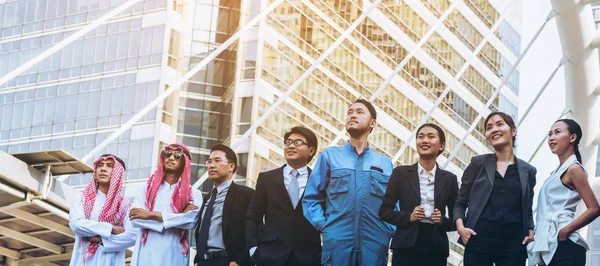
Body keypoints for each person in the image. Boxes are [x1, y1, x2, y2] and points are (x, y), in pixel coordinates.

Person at [303, 99, 394, 266]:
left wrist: (387, 231)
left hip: (374, 244)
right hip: (338, 243)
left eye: (360, 112)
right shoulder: (330, 156)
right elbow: (311, 198)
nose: (352, 115)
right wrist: (325, 227)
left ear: (372, 123)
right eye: (350, 112)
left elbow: (394, 205)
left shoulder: (385, 163)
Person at [454, 111, 537, 266]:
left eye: (500, 124)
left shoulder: (528, 171)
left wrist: (530, 230)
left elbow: (527, 209)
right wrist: (461, 228)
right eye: (489, 127)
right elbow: (460, 203)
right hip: (478, 237)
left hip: (514, 242)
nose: (494, 129)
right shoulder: (477, 164)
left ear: (513, 130)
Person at [379, 123, 458, 266]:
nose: (424, 140)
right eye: (420, 137)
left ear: (441, 146)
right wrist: (408, 216)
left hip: (436, 248)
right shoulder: (400, 173)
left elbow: (456, 218)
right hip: (405, 246)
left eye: (431, 137)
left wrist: (442, 220)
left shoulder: (450, 179)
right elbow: (384, 211)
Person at [527, 119, 600, 266]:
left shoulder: (574, 169)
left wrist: (565, 231)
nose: (551, 138)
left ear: (572, 137)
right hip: (549, 245)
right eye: (549, 134)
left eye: (557, 132)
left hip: (565, 245)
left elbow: (594, 208)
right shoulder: (553, 174)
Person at [246, 126, 322, 266]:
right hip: (270, 256)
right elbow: (253, 217)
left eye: (298, 142)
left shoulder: (320, 181)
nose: (291, 146)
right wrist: (253, 249)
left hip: (309, 257)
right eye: (288, 142)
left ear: (311, 150)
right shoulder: (266, 179)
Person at [129, 143, 203, 266]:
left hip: (174, 254)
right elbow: (135, 219)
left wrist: (151, 215)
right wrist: (178, 217)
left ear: (185, 162)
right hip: (147, 252)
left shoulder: (193, 194)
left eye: (177, 155)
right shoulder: (147, 189)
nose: (171, 158)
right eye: (168, 154)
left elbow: (191, 222)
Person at [69, 154, 136, 266]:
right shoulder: (82, 198)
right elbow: (76, 225)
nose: (103, 169)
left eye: (109, 166)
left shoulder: (126, 206)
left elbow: (133, 235)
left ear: (118, 174)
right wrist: (111, 229)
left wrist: (101, 240)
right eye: (100, 165)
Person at [194, 144, 254, 266]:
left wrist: (241, 261)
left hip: (228, 261)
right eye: (209, 161)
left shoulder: (246, 195)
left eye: (217, 161)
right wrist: (197, 260)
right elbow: (201, 231)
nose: (211, 165)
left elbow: (255, 231)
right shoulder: (207, 198)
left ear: (231, 166)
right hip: (203, 262)